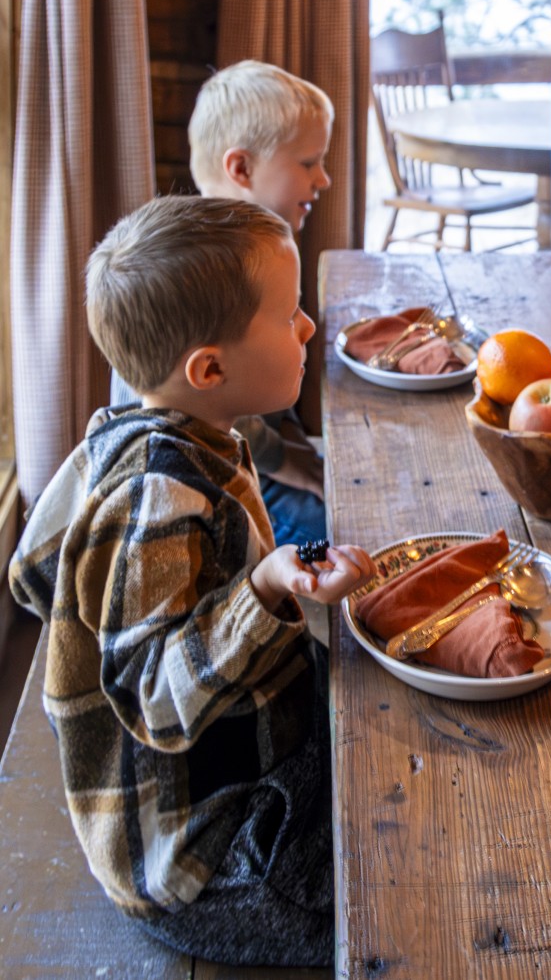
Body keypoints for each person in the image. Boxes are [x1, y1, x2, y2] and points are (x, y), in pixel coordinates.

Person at [9, 196, 374, 967]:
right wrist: (265, 588)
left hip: (238, 771)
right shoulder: (157, 498)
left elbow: (42, 574)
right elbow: (153, 699)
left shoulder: (177, 436)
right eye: (288, 316)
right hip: (203, 864)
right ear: (209, 369)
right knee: (392, 888)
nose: (308, 327)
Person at [110, 61, 334, 552]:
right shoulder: (200, 274)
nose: (324, 179)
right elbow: (241, 431)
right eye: (307, 163)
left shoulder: (263, 250)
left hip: (251, 452)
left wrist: (311, 461)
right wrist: (304, 471)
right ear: (241, 169)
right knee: (356, 528)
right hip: (208, 470)